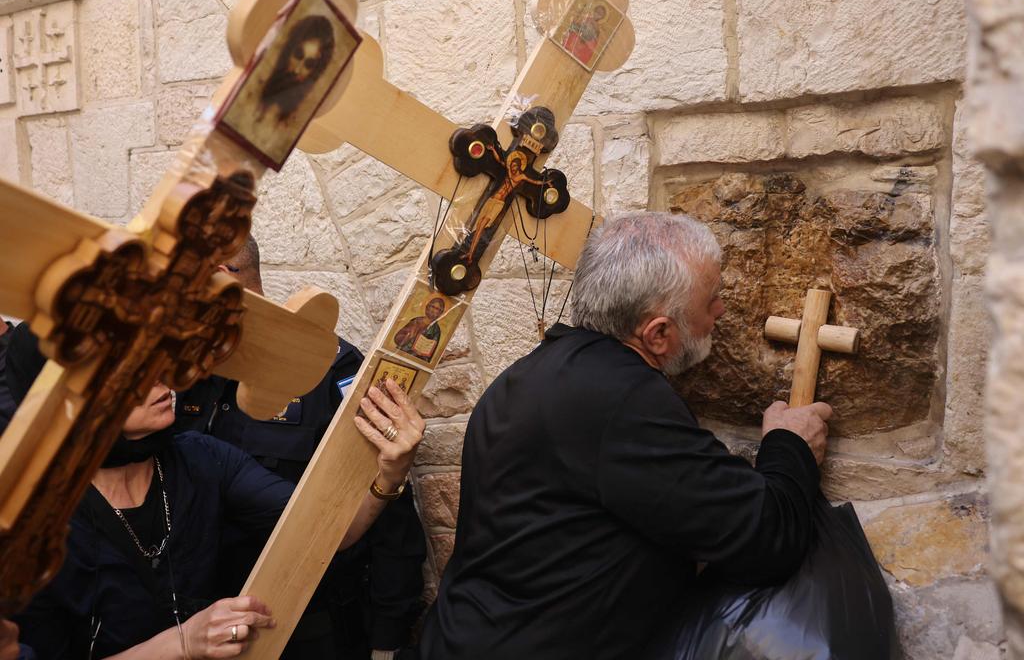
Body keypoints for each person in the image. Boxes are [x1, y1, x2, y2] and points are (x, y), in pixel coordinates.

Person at [416, 211, 832, 660]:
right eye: (712, 299)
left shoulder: (531, 373)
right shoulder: (624, 402)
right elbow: (766, 540)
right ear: (657, 335)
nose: (721, 312)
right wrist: (791, 445)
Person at [6, 321, 423, 659]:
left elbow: (330, 532)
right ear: (71, 399)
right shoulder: (25, 515)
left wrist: (388, 474)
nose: (160, 378)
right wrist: (182, 644)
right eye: (132, 370)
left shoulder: (200, 458)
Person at [174, 235, 427, 659]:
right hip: (209, 628)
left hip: (310, 627)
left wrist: (388, 638)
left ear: (219, 280)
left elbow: (390, 510)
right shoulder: (191, 374)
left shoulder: (328, 369)